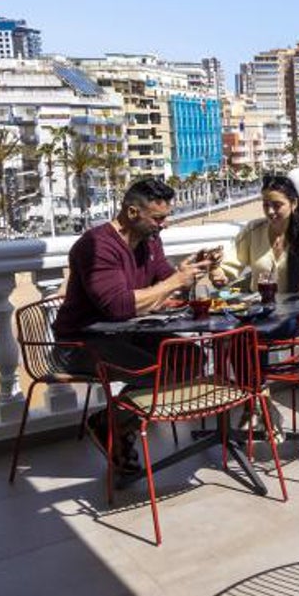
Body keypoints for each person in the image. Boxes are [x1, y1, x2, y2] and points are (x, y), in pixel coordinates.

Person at [53, 177, 212, 476]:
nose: (164, 224)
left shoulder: (149, 240)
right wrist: (173, 283)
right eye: (158, 218)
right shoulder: (97, 245)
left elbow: (162, 277)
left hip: (128, 334)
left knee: (191, 358)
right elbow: (117, 306)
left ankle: (114, 422)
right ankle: (111, 424)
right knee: (159, 372)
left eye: (166, 217)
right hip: (80, 342)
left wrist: (188, 273)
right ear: (132, 212)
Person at [213, 168, 299, 303]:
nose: (270, 211)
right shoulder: (253, 230)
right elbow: (230, 266)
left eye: (277, 205)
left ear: (294, 204)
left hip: (294, 314)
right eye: (266, 205)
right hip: (258, 312)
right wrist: (218, 273)